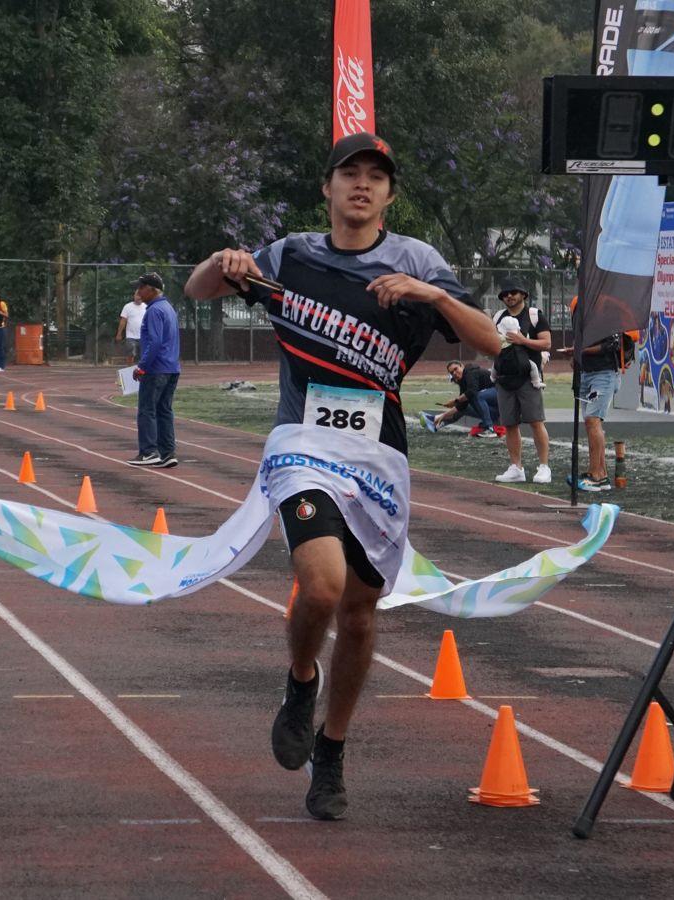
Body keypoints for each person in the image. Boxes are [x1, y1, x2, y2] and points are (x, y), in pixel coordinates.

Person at [182, 132, 500, 820]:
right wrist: (223, 261)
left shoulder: (417, 260)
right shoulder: (290, 255)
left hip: (379, 459)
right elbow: (199, 289)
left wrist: (429, 295)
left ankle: (332, 749)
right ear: (327, 188)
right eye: (348, 173)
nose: (362, 185)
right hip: (301, 445)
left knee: (358, 614)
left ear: (389, 195)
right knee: (321, 586)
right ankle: (301, 680)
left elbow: (492, 343)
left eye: (375, 177)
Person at [490, 279, 552, 484]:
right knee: (509, 424)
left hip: (528, 378)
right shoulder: (498, 317)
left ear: (523, 294)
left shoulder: (535, 316)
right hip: (504, 378)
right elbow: (491, 342)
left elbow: (546, 343)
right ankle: (516, 467)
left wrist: (522, 340)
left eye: (513, 292)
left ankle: (544, 467)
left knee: (535, 421)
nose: (509, 296)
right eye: (505, 294)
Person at [563, 331, 631, 492]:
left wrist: (581, 351)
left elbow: (612, 344)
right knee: (591, 422)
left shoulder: (607, 314)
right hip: (585, 373)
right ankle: (602, 475)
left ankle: (595, 475)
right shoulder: (583, 314)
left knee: (592, 420)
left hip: (604, 374)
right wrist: (575, 356)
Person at [127, 273, 179, 468]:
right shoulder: (168, 308)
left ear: (152, 289)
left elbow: (155, 341)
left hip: (156, 368)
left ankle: (149, 451)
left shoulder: (154, 311)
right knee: (164, 410)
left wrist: (142, 366)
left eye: (141, 287)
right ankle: (168, 452)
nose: (138, 292)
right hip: (172, 367)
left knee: (147, 410)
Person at [421, 360, 499, 436]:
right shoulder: (463, 383)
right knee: (465, 406)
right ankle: (438, 422)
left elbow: (472, 392)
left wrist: (455, 400)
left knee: (475, 396)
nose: (454, 373)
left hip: (502, 397)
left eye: (456, 369)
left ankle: (489, 428)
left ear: (462, 366)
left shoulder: (470, 372)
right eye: (452, 373)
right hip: (495, 412)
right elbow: (461, 406)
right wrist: (443, 415)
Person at [116, 284, 148, 363]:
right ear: (134, 296)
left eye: (141, 295)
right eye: (137, 295)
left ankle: (143, 372)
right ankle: (129, 371)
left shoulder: (147, 307)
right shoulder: (127, 307)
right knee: (131, 354)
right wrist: (119, 333)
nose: (139, 297)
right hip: (131, 336)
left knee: (144, 355)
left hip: (143, 336)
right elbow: (123, 321)